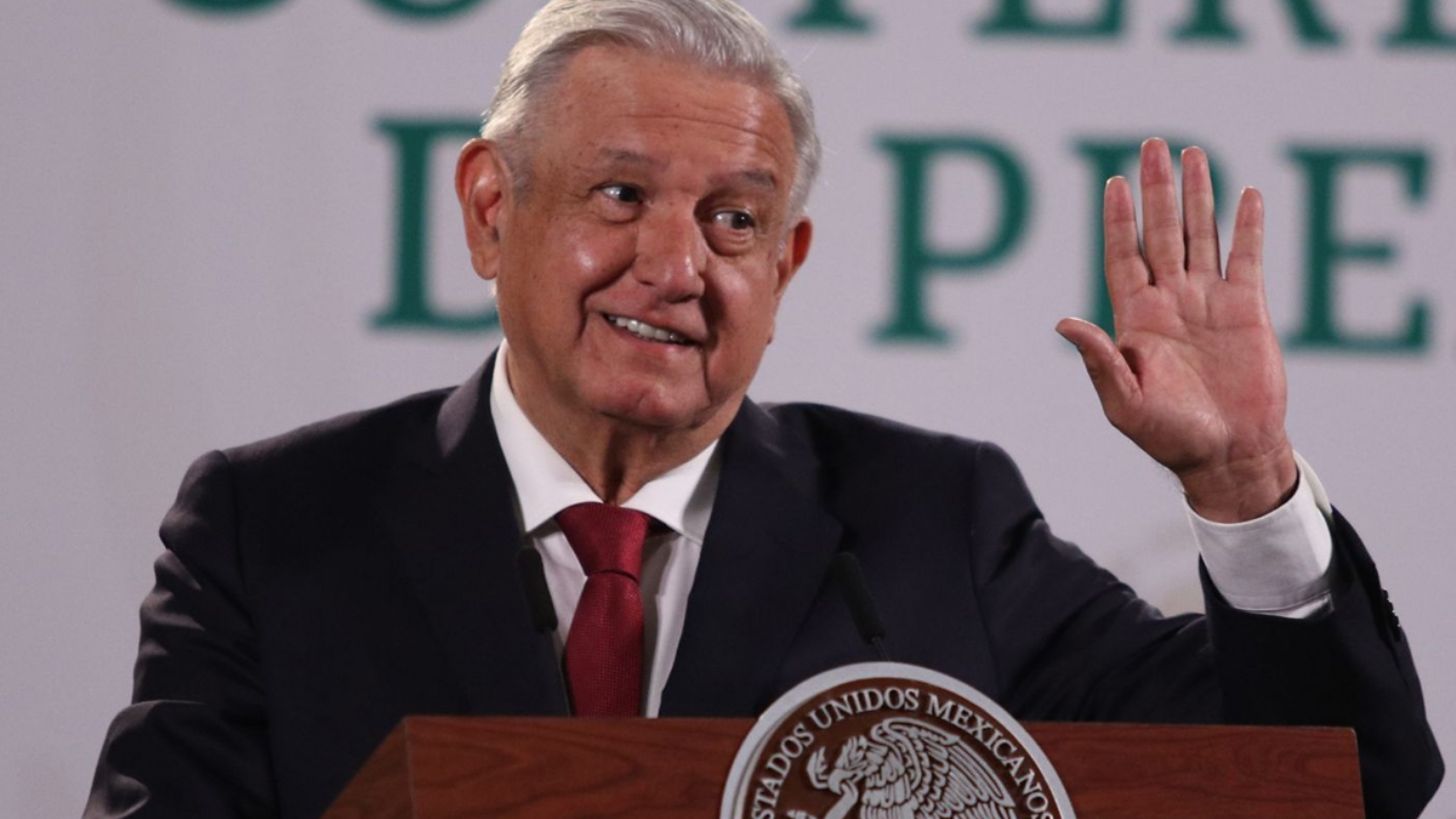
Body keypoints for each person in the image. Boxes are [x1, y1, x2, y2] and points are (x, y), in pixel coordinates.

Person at [84, 0, 1442, 817]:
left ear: (784, 267)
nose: (676, 267)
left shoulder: (933, 523)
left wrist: (1246, 483)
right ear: (493, 211)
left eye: (733, 220)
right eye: (621, 195)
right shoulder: (275, 527)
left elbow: (1346, 789)